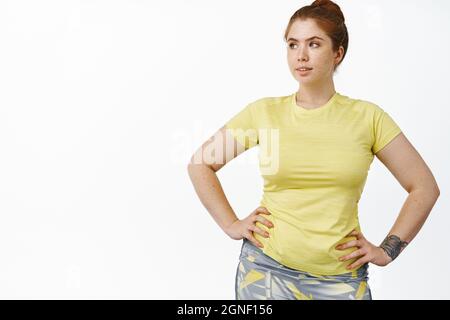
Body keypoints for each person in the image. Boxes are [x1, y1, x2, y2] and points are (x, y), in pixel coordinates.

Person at [187, 0, 440, 300]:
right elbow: (201, 163)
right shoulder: (264, 113)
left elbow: (424, 187)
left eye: (314, 44)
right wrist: (231, 224)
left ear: (338, 53)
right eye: (293, 45)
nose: (301, 55)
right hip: (266, 271)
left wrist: (386, 251)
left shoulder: (369, 118)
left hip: (341, 279)